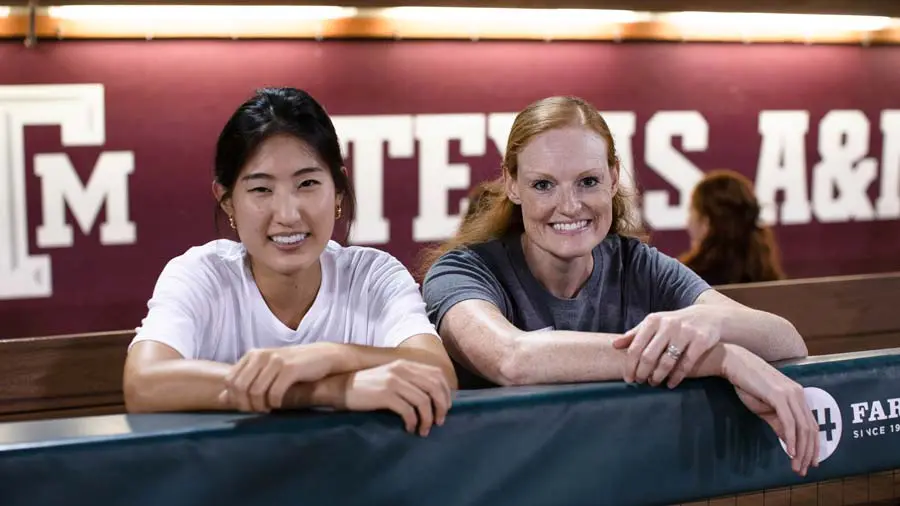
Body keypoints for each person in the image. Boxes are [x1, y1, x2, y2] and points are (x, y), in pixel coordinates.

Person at [420, 96, 819, 475]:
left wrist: (709, 324)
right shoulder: (463, 271)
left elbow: (787, 340)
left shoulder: (638, 265)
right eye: (544, 185)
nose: (570, 205)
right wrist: (719, 359)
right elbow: (513, 358)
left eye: (587, 181)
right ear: (512, 185)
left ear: (613, 178)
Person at [124, 87, 456, 437]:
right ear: (226, 201)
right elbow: (144, 384)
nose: (287, 215)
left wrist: (330, 356)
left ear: (338, 189)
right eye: (261, 190)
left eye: (308, 183)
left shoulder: (373, 276)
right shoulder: (200, 274)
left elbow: (439, 373)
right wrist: (329, 391)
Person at [680, 169, 786, 285]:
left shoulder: (686, 284)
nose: (688, 223)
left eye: (691, 211)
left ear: (706, 222)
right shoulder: (769, 281)